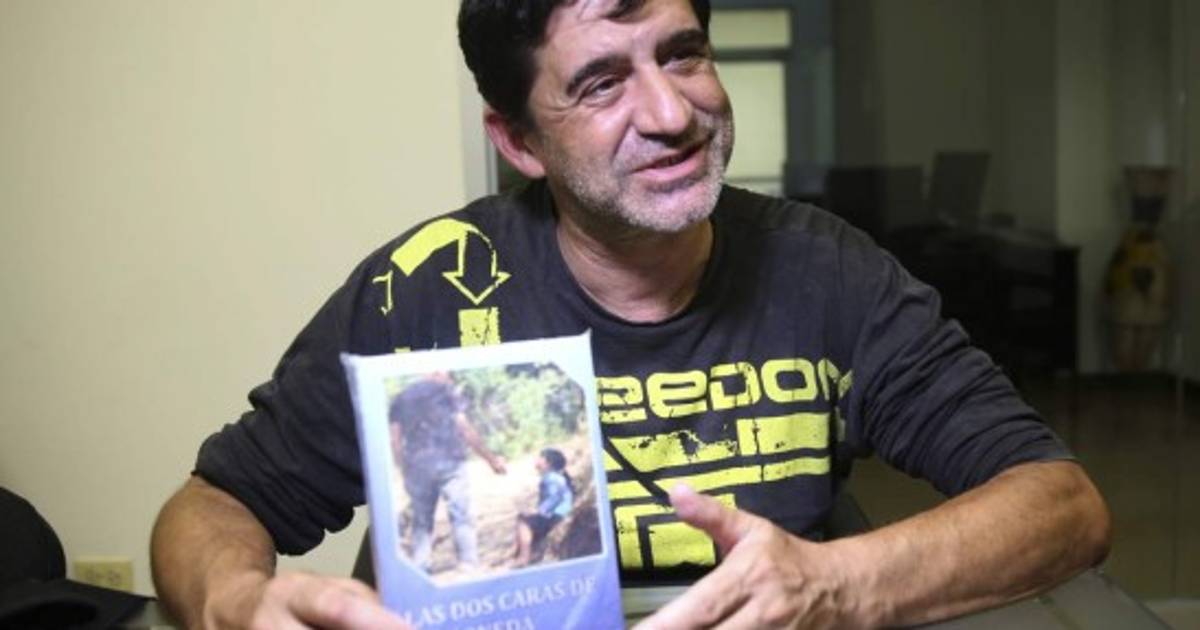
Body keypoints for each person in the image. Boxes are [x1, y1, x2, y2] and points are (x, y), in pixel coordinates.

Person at [150, 0, 1111, 628]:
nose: (672, 114)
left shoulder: (827, 272)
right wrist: (233, 601)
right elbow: (212, 507)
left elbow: (1062, 505)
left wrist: (838, 584)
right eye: (602, 82)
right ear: (519, 142)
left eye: (683, 54)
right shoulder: (427, 288)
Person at [388, 374, 507, 573]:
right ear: (437, 372)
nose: (449, 377)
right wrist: (491, 460)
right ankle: (468, 562)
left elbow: (395, 440)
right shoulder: (446, 393)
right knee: (460, 514)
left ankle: (421, 566)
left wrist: (403, 467)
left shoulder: (400, 399)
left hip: (418, 465)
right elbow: (465, 429)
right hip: (451, 460)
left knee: (421, 520)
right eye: (447, 374)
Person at [513, 448, 575, 567]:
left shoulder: (550, 477)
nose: (536, 460)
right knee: (529, 520)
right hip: (559, 514)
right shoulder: (555, 477)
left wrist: (539, 511)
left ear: (548, 463)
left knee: (523, 521)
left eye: (540, 457)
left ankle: (524, 557)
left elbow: (555, 497)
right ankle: (526, 552)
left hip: (556, 515)